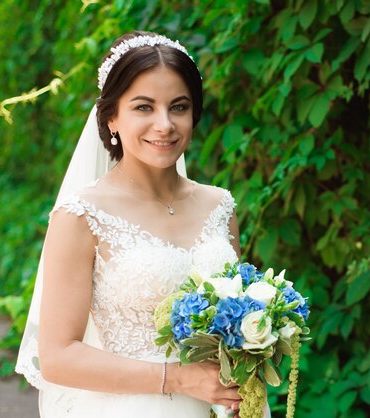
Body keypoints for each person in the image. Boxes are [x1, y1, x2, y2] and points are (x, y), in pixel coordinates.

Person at [15, 31, 267, 418]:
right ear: (112, 117)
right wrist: (179, 378)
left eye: (179, 107)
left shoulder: (219, 204)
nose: (164, 124)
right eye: (144, 107)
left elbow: (234, 315)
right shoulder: (81, 215)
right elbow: (57, 357)